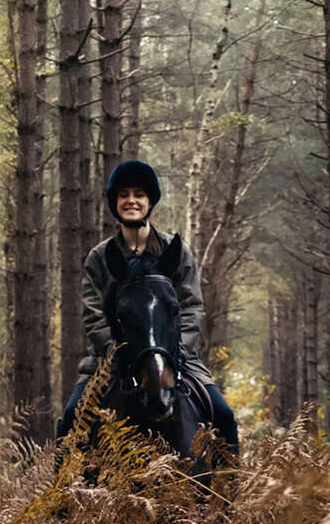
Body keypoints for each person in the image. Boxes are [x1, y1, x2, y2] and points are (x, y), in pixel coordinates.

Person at [58, 159, 238, 452]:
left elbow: (191, 307)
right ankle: (62, 494)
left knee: (225, 417)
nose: (131, 201)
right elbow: (93, 317)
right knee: (69, 419)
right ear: (114, 202)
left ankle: (232, 494)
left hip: (175, 355)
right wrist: (122, 352)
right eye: (124, 194)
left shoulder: (175, 251)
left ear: (149, 201)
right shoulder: (100, 257)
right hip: (111, 360)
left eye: (138, 194)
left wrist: (172, 354)